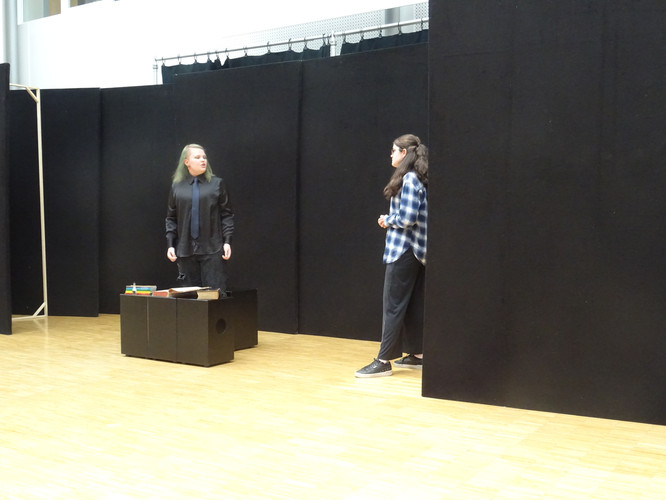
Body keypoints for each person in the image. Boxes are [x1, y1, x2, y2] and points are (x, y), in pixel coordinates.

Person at [355, 134, 428, 378]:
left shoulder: (409, 179)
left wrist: (387, 220)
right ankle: (417, 355)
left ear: (404, 153)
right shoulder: (417, 178)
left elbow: (407, 218)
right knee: (413, 305)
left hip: (404, 250)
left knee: (393, 306)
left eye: (394, 150)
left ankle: (383, 360)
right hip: (417, 252)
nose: (390, 154)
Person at [165, 144, 234, 293]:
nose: (203, 160)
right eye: (197, 157)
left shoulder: (217, 184)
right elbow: (171, 217)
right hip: (185, 250)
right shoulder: (177, 186)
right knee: (189, 297)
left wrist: (227, 241)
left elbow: (226, 215)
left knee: (215, 295)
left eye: (204, 157)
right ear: (186, 162)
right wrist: (170, 244)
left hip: (212, 249)